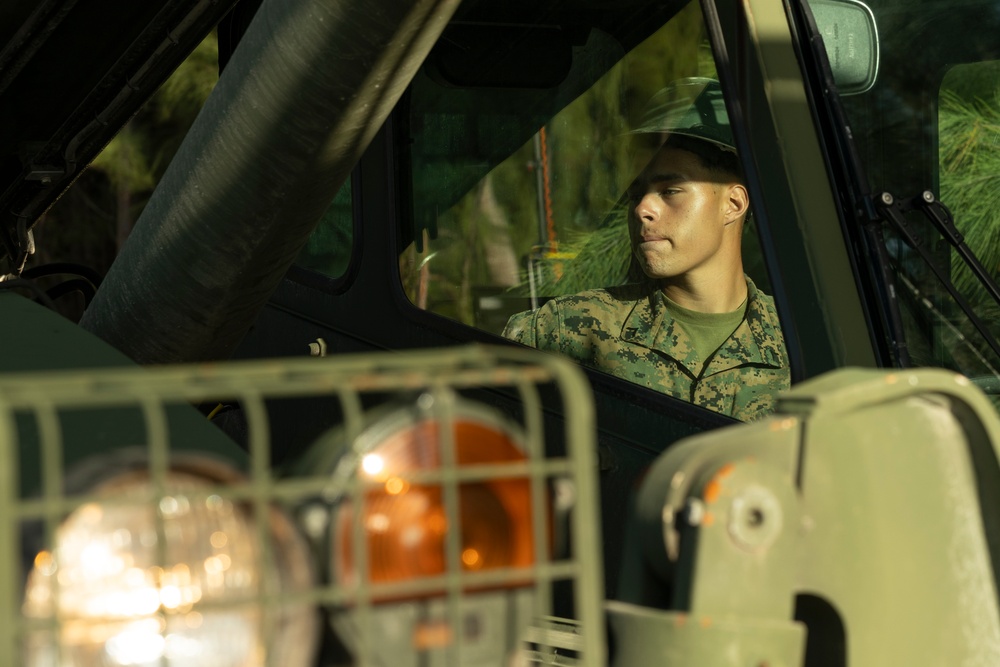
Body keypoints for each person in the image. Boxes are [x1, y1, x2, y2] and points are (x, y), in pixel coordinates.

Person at [502, 78, 789, 421]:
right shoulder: (570, 328)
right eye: (636, 192)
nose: (641, 209)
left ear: (734, 203)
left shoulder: (798, 347)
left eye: (670, 190)